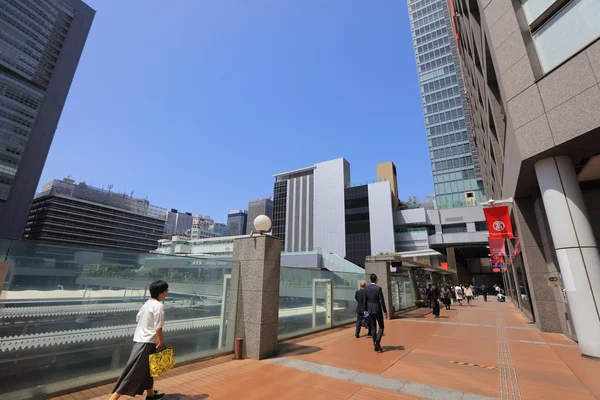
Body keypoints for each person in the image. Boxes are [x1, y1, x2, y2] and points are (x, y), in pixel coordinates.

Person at [110, 280, 169, 400]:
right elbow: (158, 327)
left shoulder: (147, 303)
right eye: (166, 290)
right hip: (147, 342)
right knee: (134, 371)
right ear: (161, 293)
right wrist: (161, 341)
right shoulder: (159, 306)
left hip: (140, 339)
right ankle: (113, 398)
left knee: (147, 369)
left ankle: (151, 395)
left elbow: (138, 318)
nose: (167, 292)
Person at [365, 273, 388, 353]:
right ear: (376, 280)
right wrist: (385, 311)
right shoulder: (378, 288)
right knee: (381, 326)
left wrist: (365, 311)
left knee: (373, 327)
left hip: (370, 310)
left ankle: (375, 346)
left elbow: (365, 300)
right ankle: (377, 341)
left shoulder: (366, 288)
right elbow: (381, 300)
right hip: (377, 309)